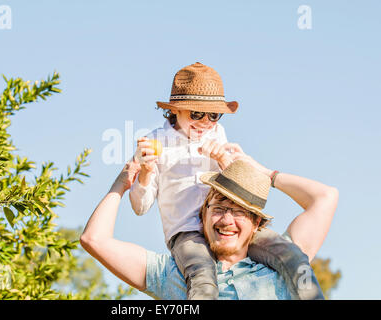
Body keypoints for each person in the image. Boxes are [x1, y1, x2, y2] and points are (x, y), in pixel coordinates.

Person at [128, 62, 323, 299]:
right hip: (188, 232)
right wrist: (146, 172)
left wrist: (223, 159)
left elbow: (237, 186)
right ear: (175, 109)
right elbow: (140, 207)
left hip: (228, 225)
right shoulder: (155, 143)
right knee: (203, 279)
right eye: (197, 113)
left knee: (293, 257)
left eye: (213, 115)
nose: (205, 122)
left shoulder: (216, 132)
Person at [80, 146, 338, 299]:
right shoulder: (173, 274)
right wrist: (122, 184)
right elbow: (94, 240)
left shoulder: (282, 264)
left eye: (239, 212)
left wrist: (263, 174)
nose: (227, 220)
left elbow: (326, 197)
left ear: (256, 222)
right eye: (218, 209)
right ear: (202, 215)